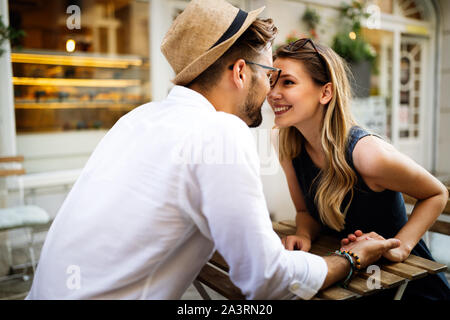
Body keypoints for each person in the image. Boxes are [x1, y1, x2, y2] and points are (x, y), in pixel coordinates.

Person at [26, 0, 400, 300]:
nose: (270, 93)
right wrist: (351, 258)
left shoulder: (138, 119)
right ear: (240, 72)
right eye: (268, 75)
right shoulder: (219, 131)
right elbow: (265, 279)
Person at [268, 38, 450, 300]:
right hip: (354, 281)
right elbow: (303, 211)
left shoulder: (367, 155)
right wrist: (304, 234)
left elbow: (437, 194)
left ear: (325, 92)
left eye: (287, 82)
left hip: (404, 285)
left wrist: (401, 247)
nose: (273, 93)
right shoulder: (288, 145)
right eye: (271, 81)